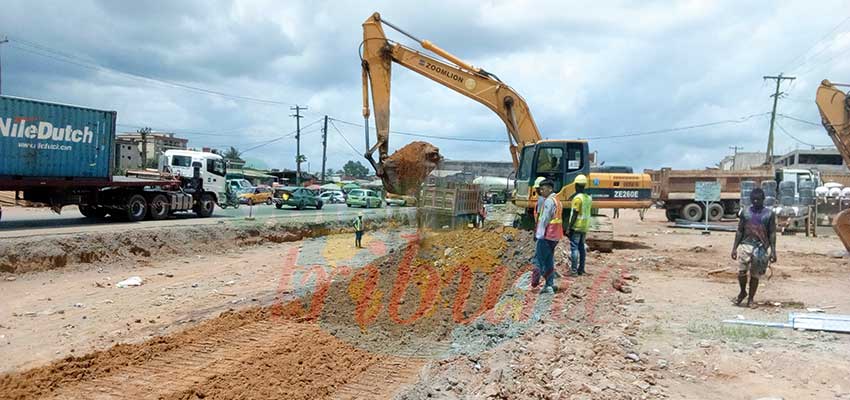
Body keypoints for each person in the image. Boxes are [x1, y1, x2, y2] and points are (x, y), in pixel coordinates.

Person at [731, 188, 776, 308]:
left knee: (755, 275)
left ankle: (751, 299)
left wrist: (773, 251)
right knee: (741, 272)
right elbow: (740, 230)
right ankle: (742, 292)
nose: (756, 202)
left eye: (758, 200)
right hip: (746, 245)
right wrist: (734, 248)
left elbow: (772, 233)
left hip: (760, 248)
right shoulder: (745, 213)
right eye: (754, 199)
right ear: (751, 200)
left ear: (763, 200)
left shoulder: (769, 214)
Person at [534, 179, 563, 294]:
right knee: (549, 260)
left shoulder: (549, 202)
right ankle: (549, 284)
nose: (541, 191)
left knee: (539, 260)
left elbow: (544, 219)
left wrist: (539, 234)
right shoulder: (557, 201)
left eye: (543, 188)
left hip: (547, 235)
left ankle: (536, 282)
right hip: (555, 236)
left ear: (550, 188)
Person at [568, 174, 592, 276]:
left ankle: (574, 271)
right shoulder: (588, 198)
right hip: (585, 227)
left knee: (574, 248)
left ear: (576, 185)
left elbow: (575, 213)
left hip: (577, 226)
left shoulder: (577, 199)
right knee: (582, 248)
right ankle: (581, 269)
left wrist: (569, 227)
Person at [530, 176, 546, 288]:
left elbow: (540, 218)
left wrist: (536, 232)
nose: (535, 190)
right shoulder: (551, 200)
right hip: (549, 233)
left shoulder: (542, 200)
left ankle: (535, 281)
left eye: (537, 188)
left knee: (537, 258)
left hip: (543, 232)